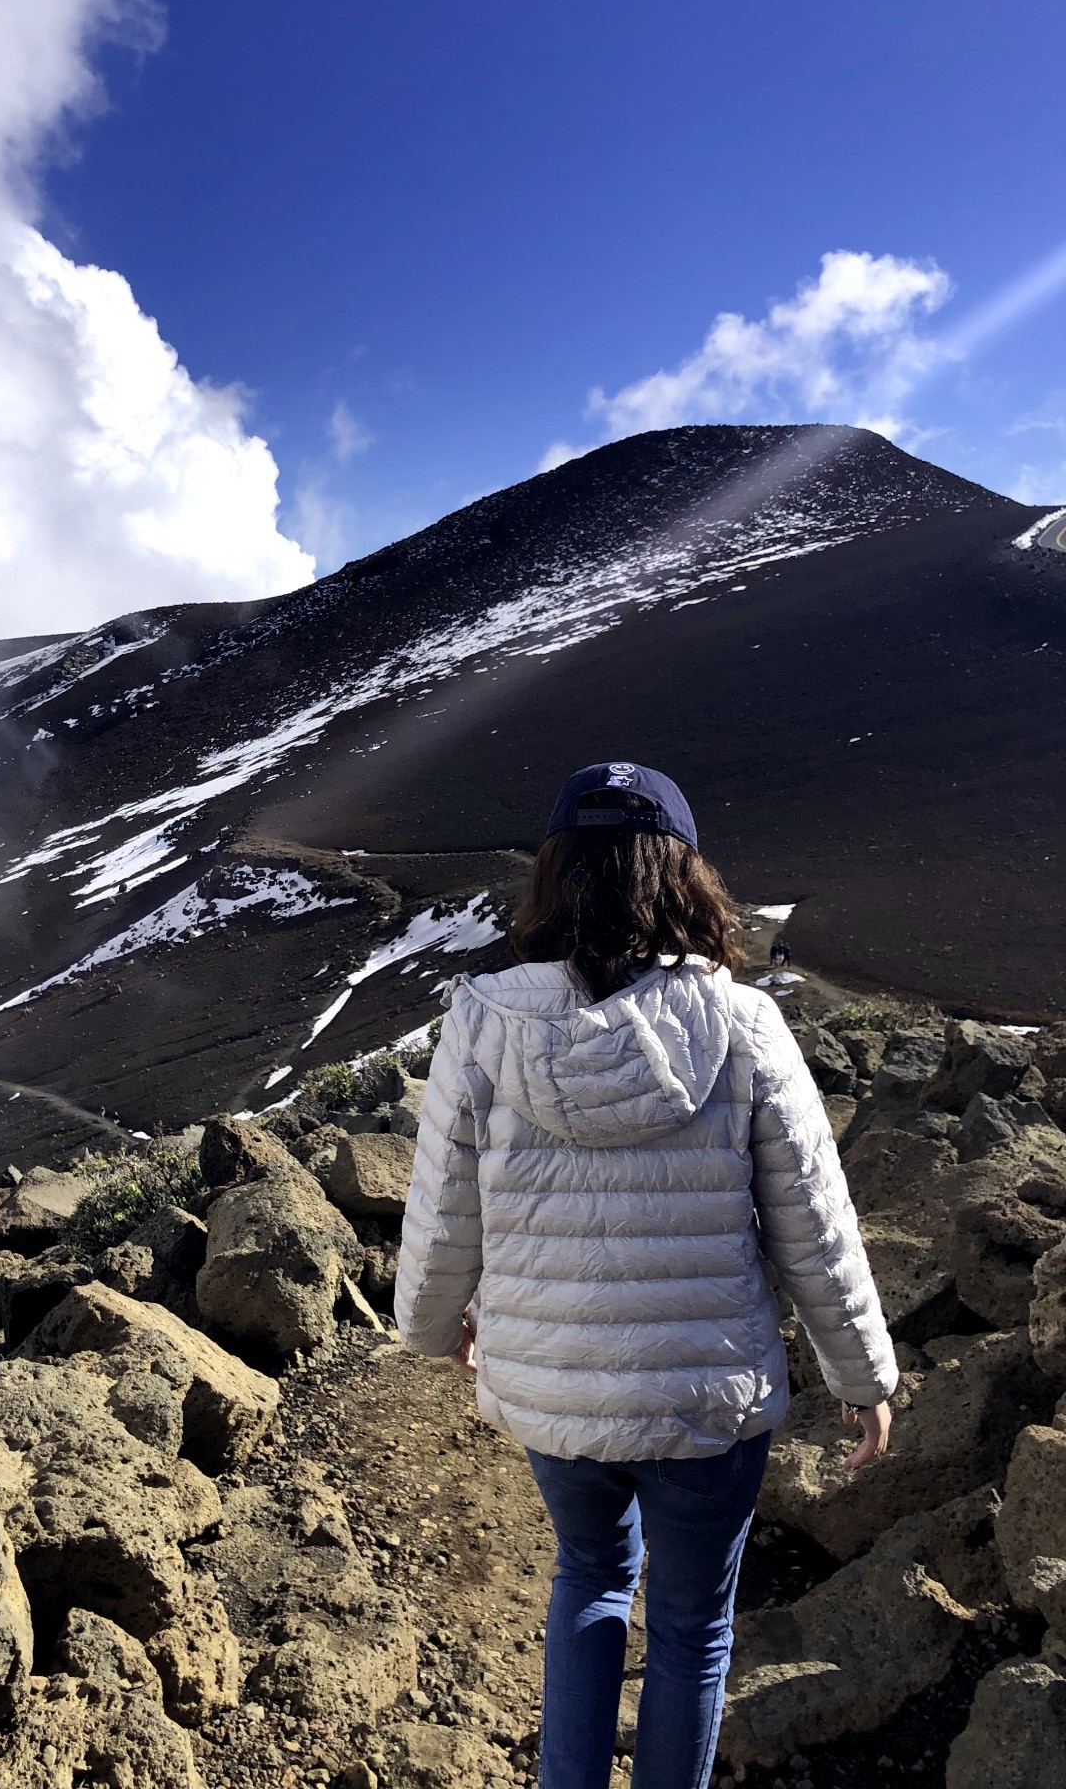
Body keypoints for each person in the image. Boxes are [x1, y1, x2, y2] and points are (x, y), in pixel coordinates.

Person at [393, 762, 896, 1789]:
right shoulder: (743, 1023)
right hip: (706, 1395)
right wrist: (864, 1375)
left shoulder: (483, 1020)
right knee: (694, 1625)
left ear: (555, 874)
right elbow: (814, 1219)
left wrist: (435, 1327)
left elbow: (444, 1204)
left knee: (587, 1576)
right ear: (683, 876)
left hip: (557, 1386)